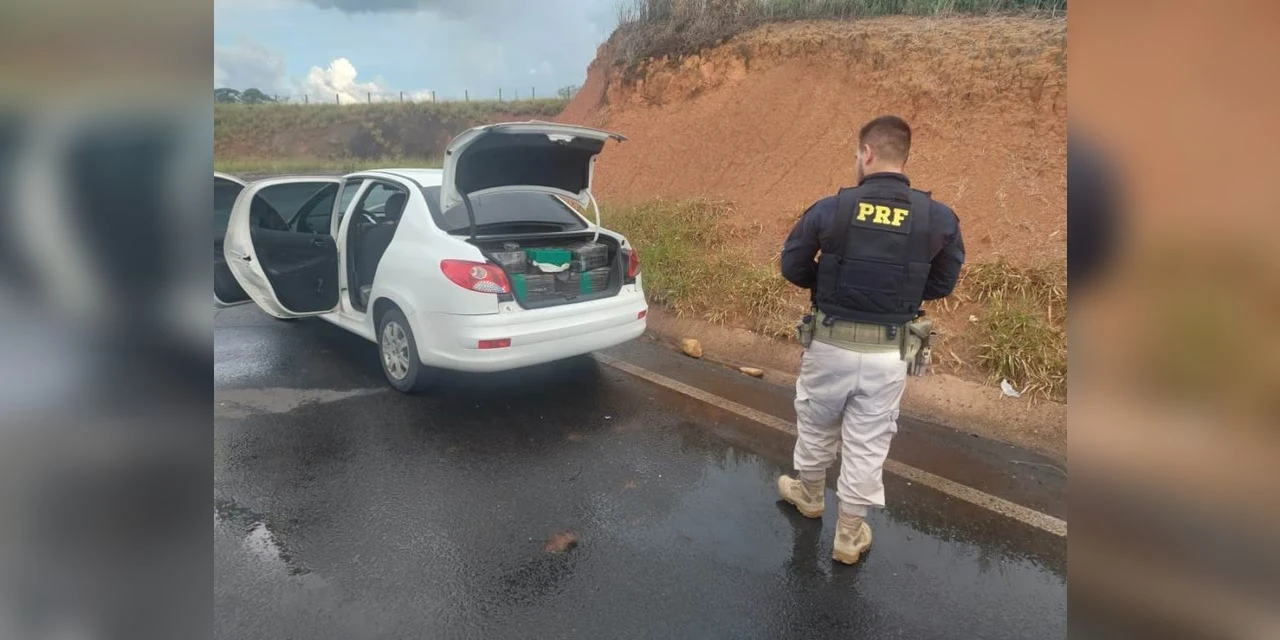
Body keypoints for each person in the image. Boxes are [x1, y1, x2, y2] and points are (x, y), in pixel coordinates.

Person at [777, 115, 964, 565]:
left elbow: (792, 265)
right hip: (888, 353)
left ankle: (808, 495)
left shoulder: (831, 208)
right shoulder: (937, 217)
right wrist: (902, 292)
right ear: (905, 155)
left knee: (817, 421)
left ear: (866, 154)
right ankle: (848, 535)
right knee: (868, 440)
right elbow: (943, 282)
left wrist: (827, 283)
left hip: (829, 344)